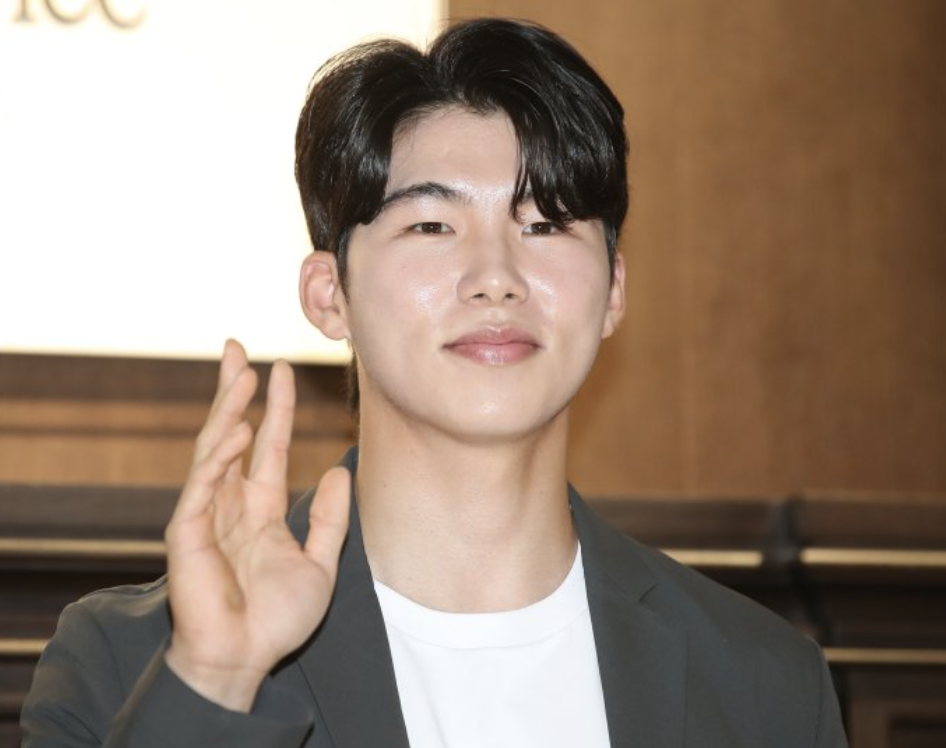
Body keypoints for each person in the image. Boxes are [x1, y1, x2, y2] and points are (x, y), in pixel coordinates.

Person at [21, 17, 847, 748]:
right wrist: (213, 682)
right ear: (329, 294)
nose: (496, 277)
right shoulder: (128, 662)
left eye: (545, 224)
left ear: (613, 292)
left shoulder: (763, 681)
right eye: (431, 224)